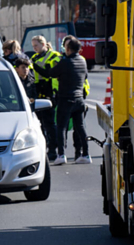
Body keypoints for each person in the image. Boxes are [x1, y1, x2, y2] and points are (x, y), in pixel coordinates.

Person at [34, 35, 90, 165]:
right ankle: (86, 155)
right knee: (80, 127)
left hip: (66, 100)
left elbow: (50, 73)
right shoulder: (82, 61)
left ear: (68, 49)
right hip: (79, 100)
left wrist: (35, 66)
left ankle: (61, 155)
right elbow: (85, 76)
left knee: (61, 127)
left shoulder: (65, 62)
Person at [30, 35, 61, 160]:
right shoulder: (34, 57)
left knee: (50, 123)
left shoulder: (53, 56)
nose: (34, 48)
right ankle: (44, 148)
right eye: (33, 46)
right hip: (38, 92)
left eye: (36, 45)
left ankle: (53, 150)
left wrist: (35, 66)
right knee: (40, 124)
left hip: (50, 92)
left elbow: (48, 74)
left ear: (43, 44)